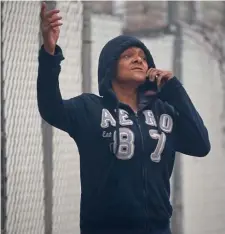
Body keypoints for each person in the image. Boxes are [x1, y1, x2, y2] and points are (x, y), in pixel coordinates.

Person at [37, 2, 211, 234]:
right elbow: (51, 108)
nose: (138, 59)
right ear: (110, 67)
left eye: (142, 57)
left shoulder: (163, 111)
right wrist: (49, 53)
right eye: (128, 56)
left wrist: (174, 90)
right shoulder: (89, 109)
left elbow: (200, 145)